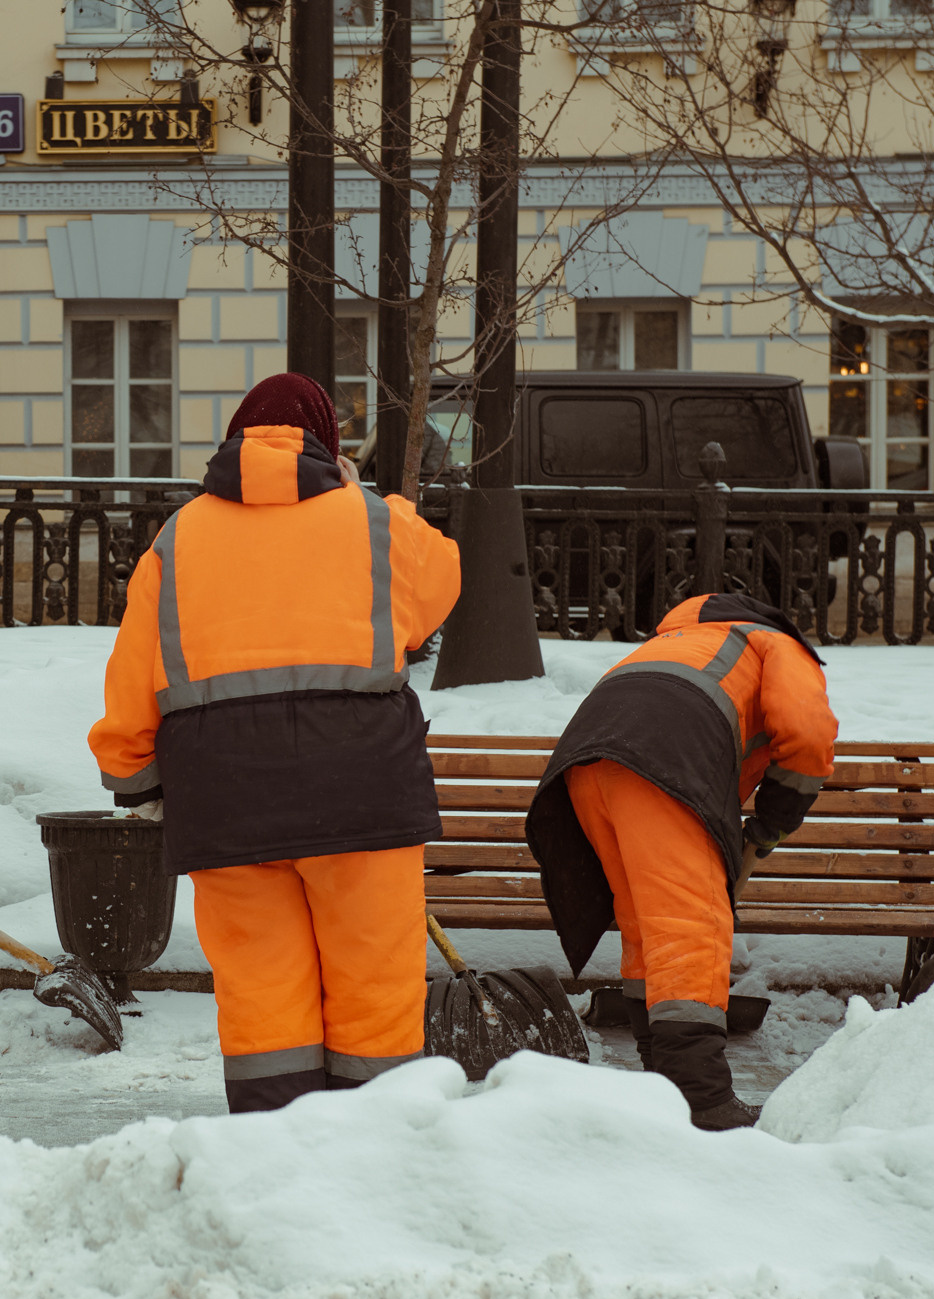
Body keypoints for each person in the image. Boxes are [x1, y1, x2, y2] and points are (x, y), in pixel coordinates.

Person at [88, 373, 462, 1113]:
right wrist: (365, 495)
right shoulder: (376, 521)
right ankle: (373, 1158)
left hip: (227, 802)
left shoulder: (178, 538)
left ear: (232, 440)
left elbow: (133, 679)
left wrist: (136, 781)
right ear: (328, 444)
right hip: (364, 796)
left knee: (262, 1000)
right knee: (375, 989)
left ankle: (274, 1156)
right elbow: (440, 585)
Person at [525, 593, 838, 1130]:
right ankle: (701, 1098)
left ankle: (663, 1086)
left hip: (586, 766)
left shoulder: (674, 642)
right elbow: (808, 736)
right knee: (690, 926)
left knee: (648, 926)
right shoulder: (772, 643)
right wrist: (769, 828)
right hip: (662, 760)